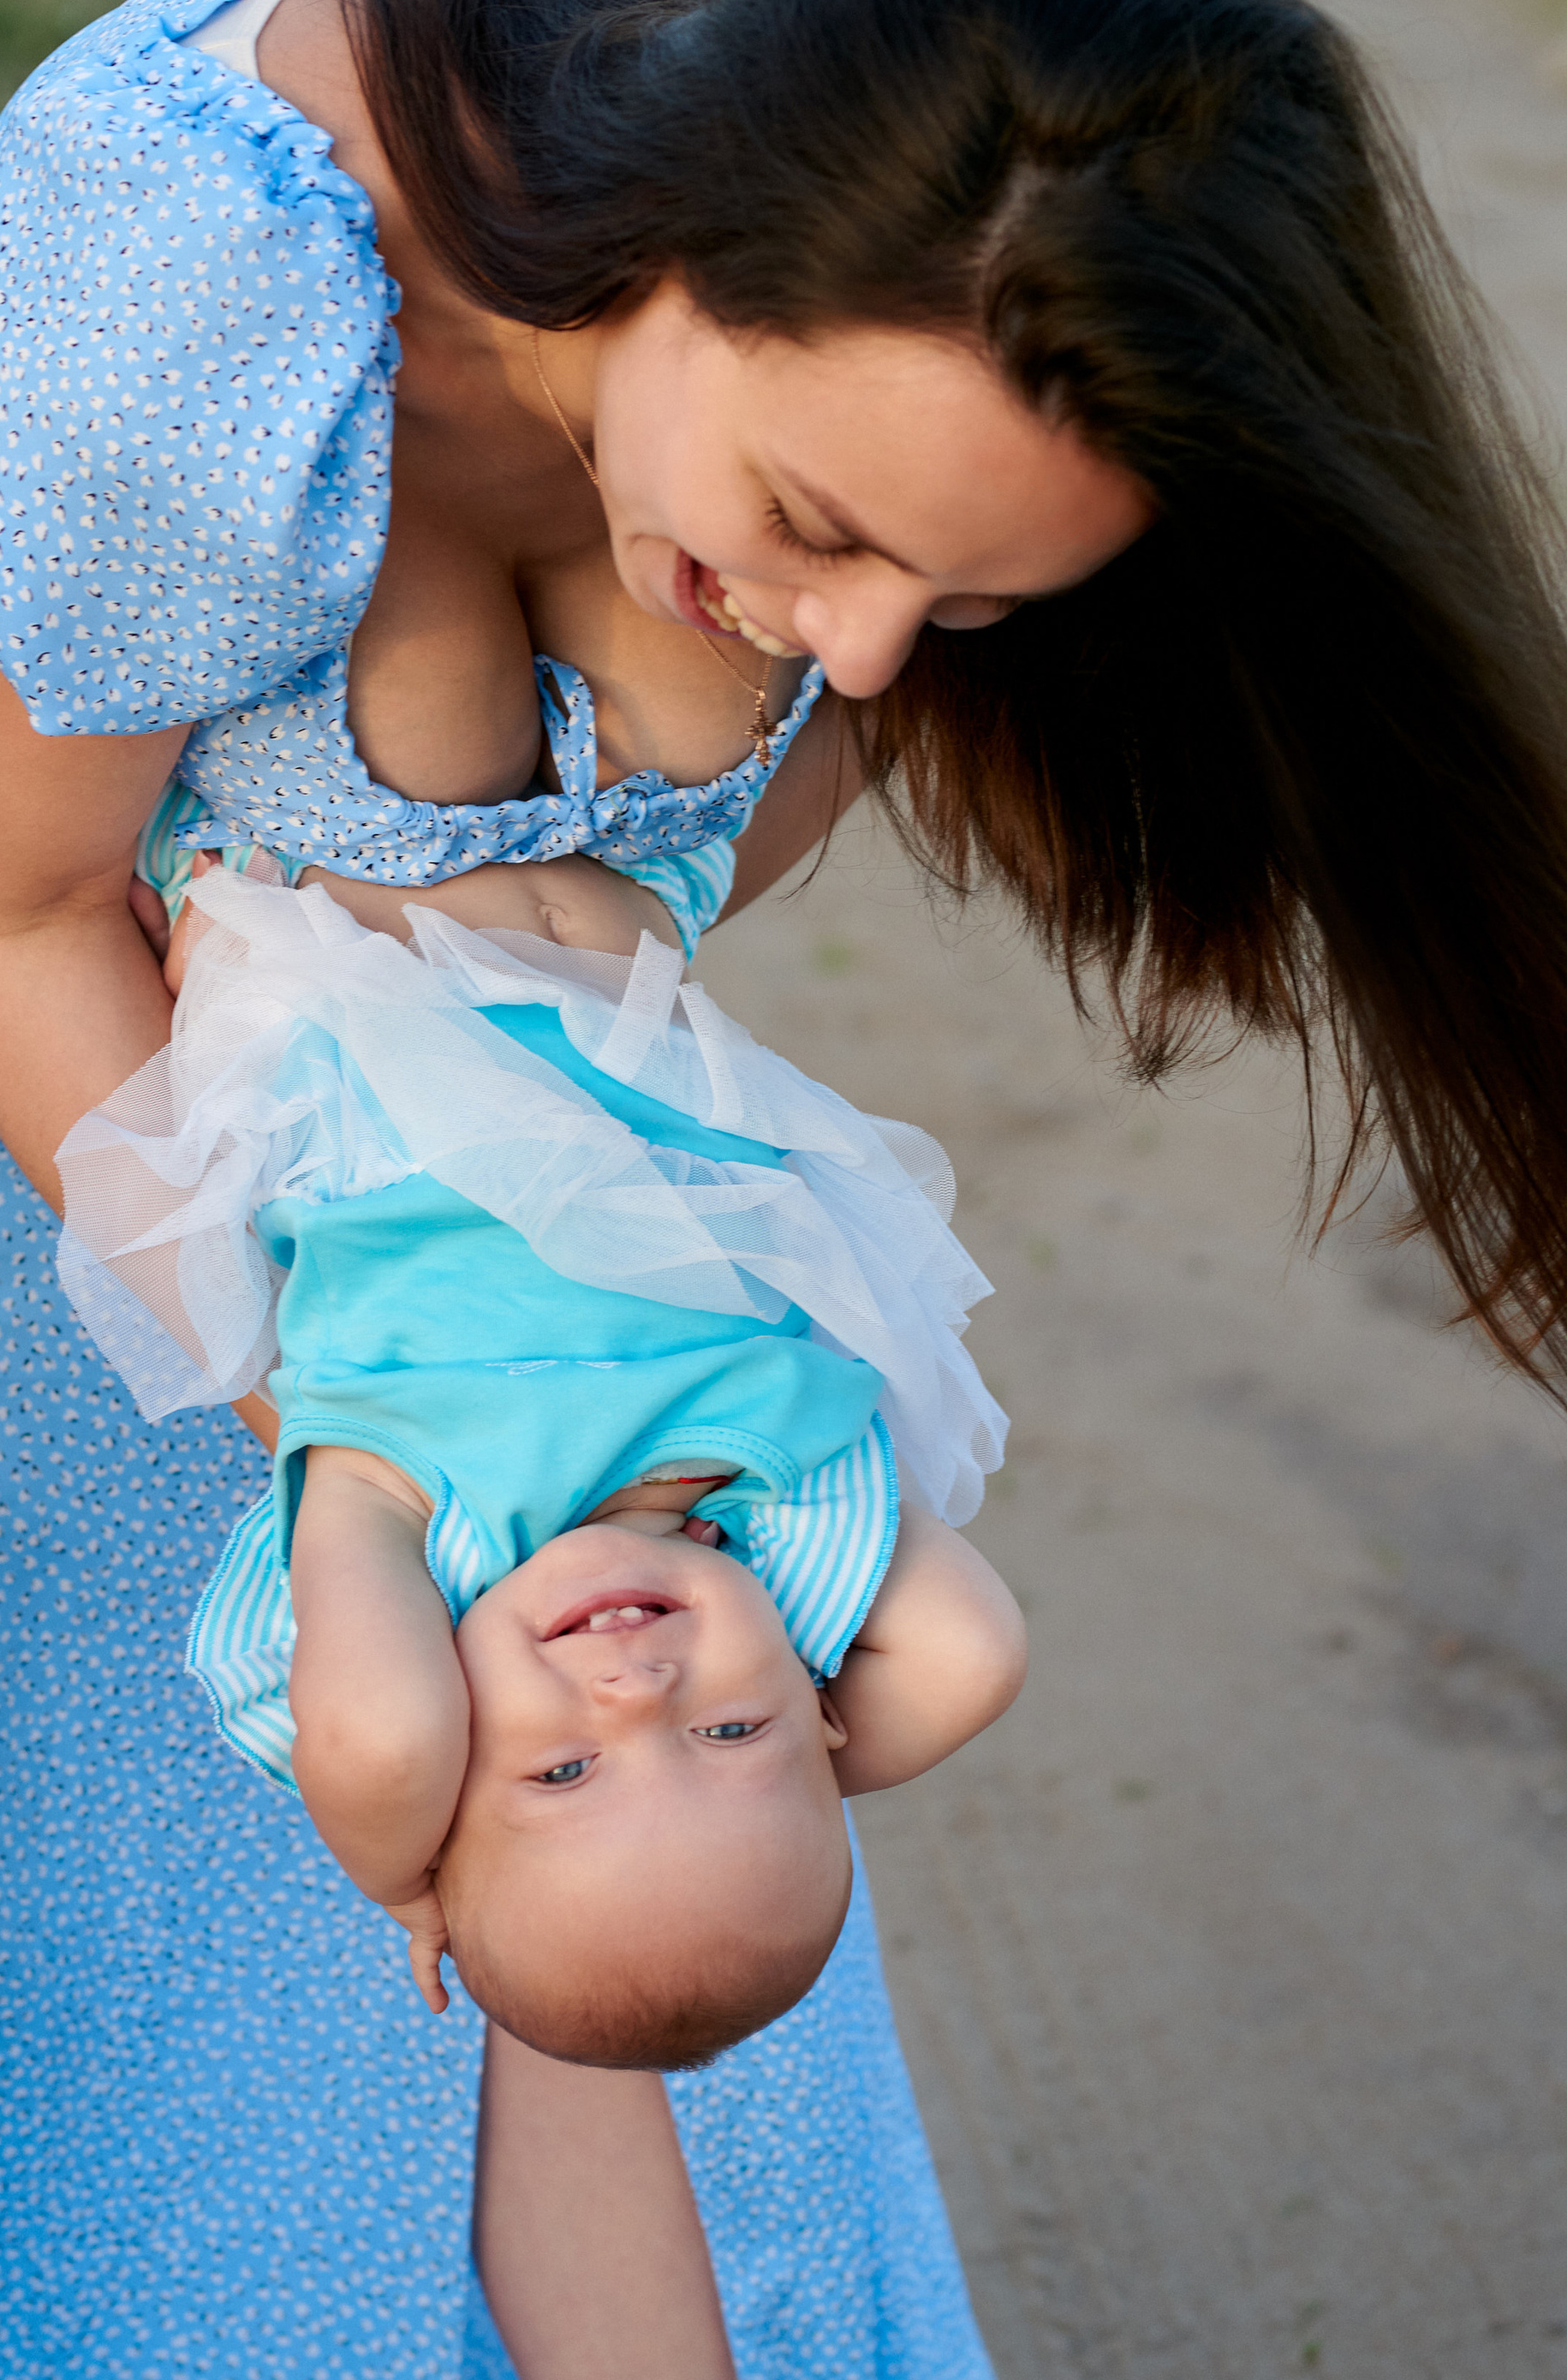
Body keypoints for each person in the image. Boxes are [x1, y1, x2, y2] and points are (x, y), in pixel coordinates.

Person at [0, 0, 1567, 2380]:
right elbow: (1, 889)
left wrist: (499, 1258)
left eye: (961, 604)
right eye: (819, 527)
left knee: (616, 1872)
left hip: (357, 1084)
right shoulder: (198, 298)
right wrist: (375, 1439)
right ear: (682, 251)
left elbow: (635, 871)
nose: (865, 651)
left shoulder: (929, 328)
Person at [57, 833, 1026, 2068]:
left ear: (450, 1765)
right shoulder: (784, 1528)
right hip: (588, 942)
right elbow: (972, 1660)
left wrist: (404, 1878)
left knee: (430, 688)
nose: (639, 1692)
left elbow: (378, 1744)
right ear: (820, 1710)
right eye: (731, 1737)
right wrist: (773, 1735)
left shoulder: (404, 1529)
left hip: (353, 1003)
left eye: (565, 1772)